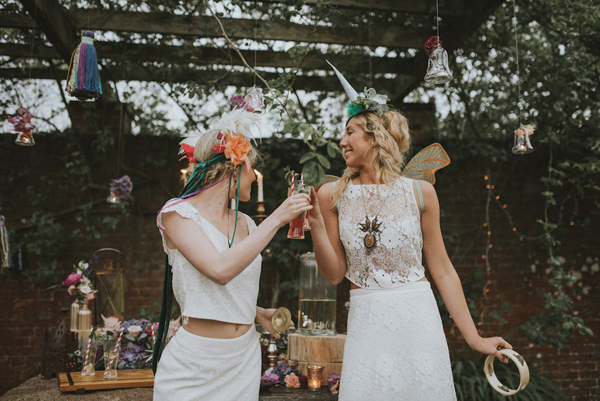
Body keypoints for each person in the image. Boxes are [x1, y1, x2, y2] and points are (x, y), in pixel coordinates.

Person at [307, 64, 512, 401]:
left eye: (350, 132)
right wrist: (315, 224)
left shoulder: (420, 193)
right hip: (367, 323)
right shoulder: (332, 196)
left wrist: (474, 338)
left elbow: (443, 270)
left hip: (418, 321)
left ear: (375, 137)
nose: (342, 141)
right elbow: (333, 276)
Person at [152, 96, 312, 401]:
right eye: (251, 168)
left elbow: (221, 291)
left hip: (244, 361)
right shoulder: (177, 214)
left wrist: (253, 312)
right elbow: (219, 270)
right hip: (193, 365)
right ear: (233, 167)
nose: (254, 176)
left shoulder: (248, 224)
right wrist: (278, 218)